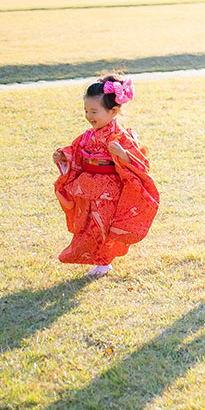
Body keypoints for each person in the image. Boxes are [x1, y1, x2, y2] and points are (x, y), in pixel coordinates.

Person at [53, 74, 159, 277]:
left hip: (109, 191)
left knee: (103, 227)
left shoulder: (120, 136)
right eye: (86, 111)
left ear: (114, 111)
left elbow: (140, 164)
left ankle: (104, 262)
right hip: (89, 187)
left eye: (94, 111)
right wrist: (64, 156)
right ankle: (98, 260)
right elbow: (76, 150)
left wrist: (122, 155)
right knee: (89, 225)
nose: (88, 116)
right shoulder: (89, 135)